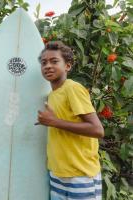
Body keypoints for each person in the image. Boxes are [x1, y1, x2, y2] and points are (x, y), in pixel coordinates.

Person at [36, 41, 104, 200]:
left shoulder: (72, 88)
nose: (48, 66)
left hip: (80, 175)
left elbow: (97, 130)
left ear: (67, 66)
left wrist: (54, 122)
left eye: (54, 61)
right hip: (58, 174)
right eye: (44, 62)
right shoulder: (52, 95)